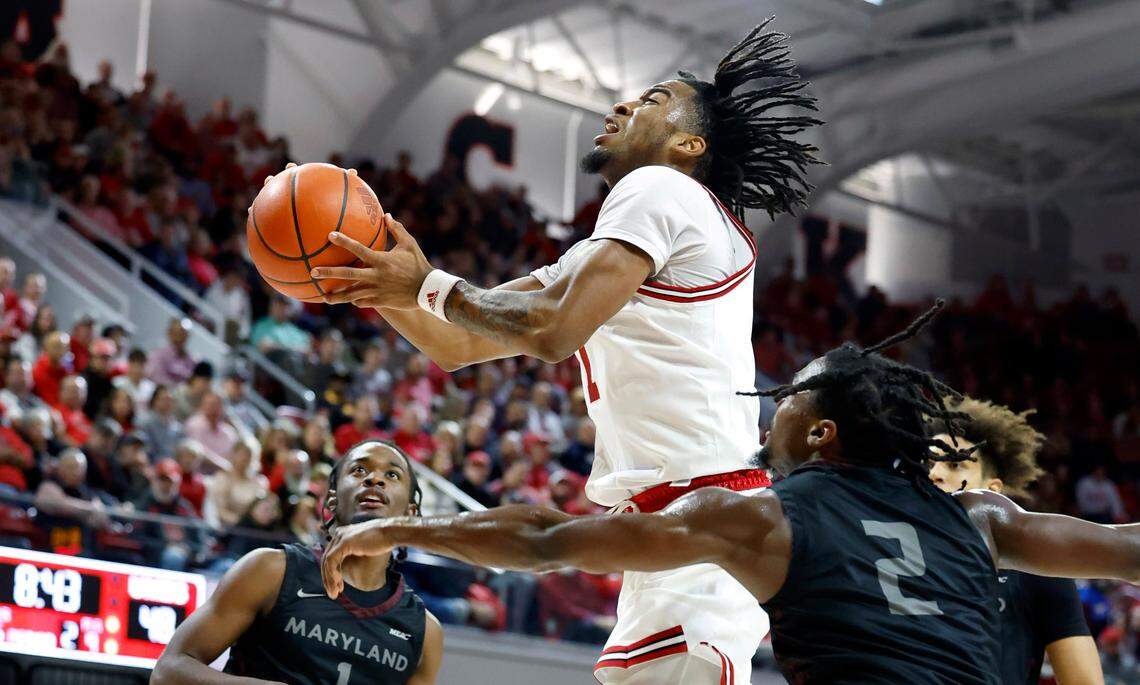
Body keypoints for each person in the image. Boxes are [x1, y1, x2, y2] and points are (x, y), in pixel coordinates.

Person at [310, 22, 821, 682]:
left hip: (697, 536)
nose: (621, 107)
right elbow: (458, 341)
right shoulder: (627, 245)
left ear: (688, 144)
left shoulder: (663, 190)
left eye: (651, 101)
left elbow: (552, 330)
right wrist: (378, 286)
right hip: (678, 541)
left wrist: (428, 285)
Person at [321, 305, 1140, 685]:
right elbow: (1122, 549)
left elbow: (543, 540)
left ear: (820, 431)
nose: (769, 407)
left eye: (787, 397)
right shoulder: (984, 517)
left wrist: (402, 528)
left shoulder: (759, 517)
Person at [152, 440, 443, 685]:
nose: (374, 479)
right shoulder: (270, 570)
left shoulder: (424, 631)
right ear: (331, 501)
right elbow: (168, 671)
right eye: (359, 470)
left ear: (412, 513)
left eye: (392, 475)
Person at [927, 396, 1103, 685]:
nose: (934, 474)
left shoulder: (1037, 567)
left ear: (992, 490)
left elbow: (1084, 681)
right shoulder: (880, 551)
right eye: (927, 463)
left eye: (955, 465)